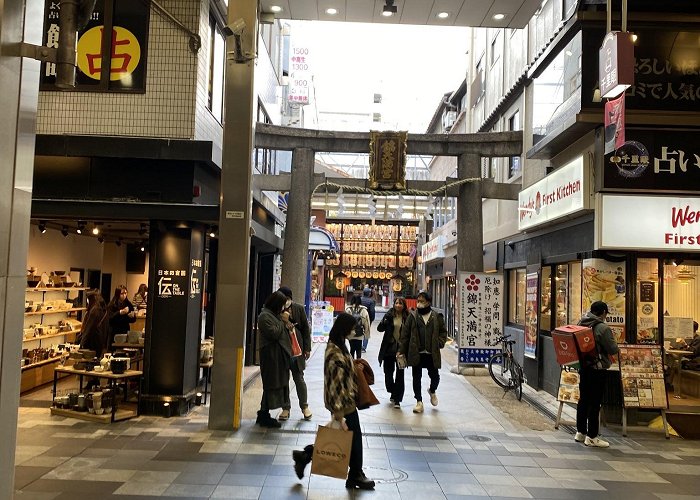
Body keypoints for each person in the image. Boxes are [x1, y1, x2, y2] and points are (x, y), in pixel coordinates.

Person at [291, 313, 375, 490]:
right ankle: (356, 475)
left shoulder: (338, 345)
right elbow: (335, 384)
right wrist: (338, 411)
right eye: (352, 327)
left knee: (343, 437)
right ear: (344, 328)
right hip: (343, 403)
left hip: (345, 401)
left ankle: (305, 456)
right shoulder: (335, 352)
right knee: (353, 439)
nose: (354, 330)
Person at [575, 300, 619, 448]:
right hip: (597, 370)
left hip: (584, 367)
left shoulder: (581, 323)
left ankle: (580, 432)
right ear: (603, 313)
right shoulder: (602, 328)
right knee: (595, 402)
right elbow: (613, 349)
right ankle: (592, 436)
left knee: (583, 400)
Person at [398, 291, 447, 414]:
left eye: (422, 301)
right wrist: (401, 350)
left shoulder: (436, 316)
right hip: (416, 352)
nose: (419, 303)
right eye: (418, 301)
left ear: (428, 302)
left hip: (431, 352)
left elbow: (443, 332)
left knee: (435, 376)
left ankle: (432, 390)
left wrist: (439, 343)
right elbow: (405, 335)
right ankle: (419, 401)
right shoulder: (413, 316)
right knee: (416, 377)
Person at [256, 290, 293, 428]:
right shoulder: (264, 316)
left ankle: (263, 412)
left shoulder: (274, 315)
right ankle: (264, 414)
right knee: (271, 384)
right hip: (271, 357)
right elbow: (274, 333)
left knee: (275, 384)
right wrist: (282, 322)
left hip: (278, 357)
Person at [277, 286, 313, 421]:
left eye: (286, 298)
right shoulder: (276, 310)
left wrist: (307, 348)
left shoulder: (299, 308)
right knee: (284, 380)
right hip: (282, 350)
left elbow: (305, 329)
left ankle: (304, 407)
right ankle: (285, 408)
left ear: (290, 298)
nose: (284, 301)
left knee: (299, 379)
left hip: (297, 350)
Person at [377, 297, 408, 408]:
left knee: (400, 375)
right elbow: (379, 329)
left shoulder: (407, 317)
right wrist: (385, 320)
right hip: (389, 349)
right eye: (396, 303)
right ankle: (392, 390)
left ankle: (397, 399)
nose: (398, 305)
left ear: (404, 305)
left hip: (402, 350)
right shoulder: (389, 316)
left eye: (400, 303)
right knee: (388, 374)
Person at [79, 290, 109, 357]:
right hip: (101, 341)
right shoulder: (104, 309)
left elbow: (88, 329)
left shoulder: (94, 310)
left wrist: (81, 344)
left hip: (92, 342)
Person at [345, 295, 370, 359]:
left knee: (352, 349)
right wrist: (366, 334)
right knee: (359, 350)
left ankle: (352, 364)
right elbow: (366, 323)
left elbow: (345, 322)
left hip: (350, 333)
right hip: (359, 333)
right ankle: (358, 364)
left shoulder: (348, 310)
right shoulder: (364, 310)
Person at [360, 288, 376, 353]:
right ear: (369, 293)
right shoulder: (371, 301)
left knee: (359, 331)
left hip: (359, 317)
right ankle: (363, 347)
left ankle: (359, 345)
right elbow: (372, 311)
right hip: (367, 318)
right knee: (366, 332)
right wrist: (372, 319)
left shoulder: (360, 299)